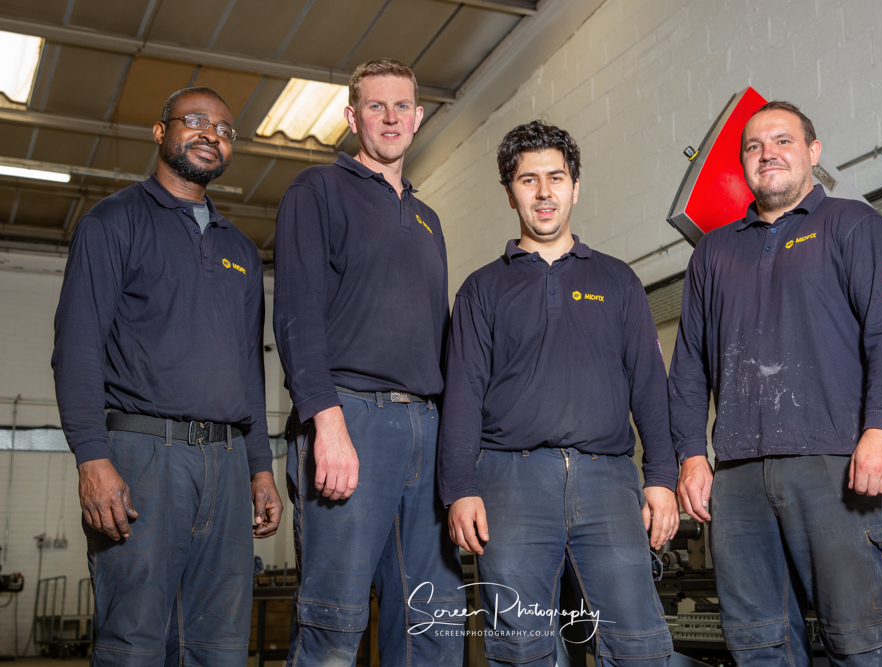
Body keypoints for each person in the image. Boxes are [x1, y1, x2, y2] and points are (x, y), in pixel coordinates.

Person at [669, 101, 882, 666]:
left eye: (782, 141)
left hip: (833, 469)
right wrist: (691, 455)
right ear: (745, 165)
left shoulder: (854, 225)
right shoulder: (715, 251)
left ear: (813, 153)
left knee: (861, 640)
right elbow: (688, 367)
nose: (768, 154)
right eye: (754, 147)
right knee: (758, 645)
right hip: (738, 479)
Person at [52, 86, 282, 666]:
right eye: (196, 121)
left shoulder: (242, 251)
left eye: (225, 130)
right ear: (161, 132)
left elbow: (247, 369)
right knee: (134, 639)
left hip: (227, 463)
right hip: (142, 455)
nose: (211, 135)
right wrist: (92, 458)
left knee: (220, 643)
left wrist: (260, 467)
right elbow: (76, 350)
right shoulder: (112, 223)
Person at [439, 120, 679, 666]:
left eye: (556, 178)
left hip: (608, 481)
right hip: (510, 483)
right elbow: (462, 398)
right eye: (528, 181)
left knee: (638, 643)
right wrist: (459, 489)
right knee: (521, 647)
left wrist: (661, 479)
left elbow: (649, 386)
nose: (544, 193)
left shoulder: (618, 281)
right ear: (509, 193)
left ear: (576, 186)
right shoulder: (481, 290)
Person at [272, 58, 464, 666]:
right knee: (335, 620)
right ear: (353, 117)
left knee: (433, 619)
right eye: (375, 106)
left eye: (401, 106)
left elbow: (441, 342)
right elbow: (297, 315)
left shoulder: (428, 219)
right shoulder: (317, 191)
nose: (390, 118)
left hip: (426, 429)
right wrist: (326, 425)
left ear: (419, 117)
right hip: (350, 419)